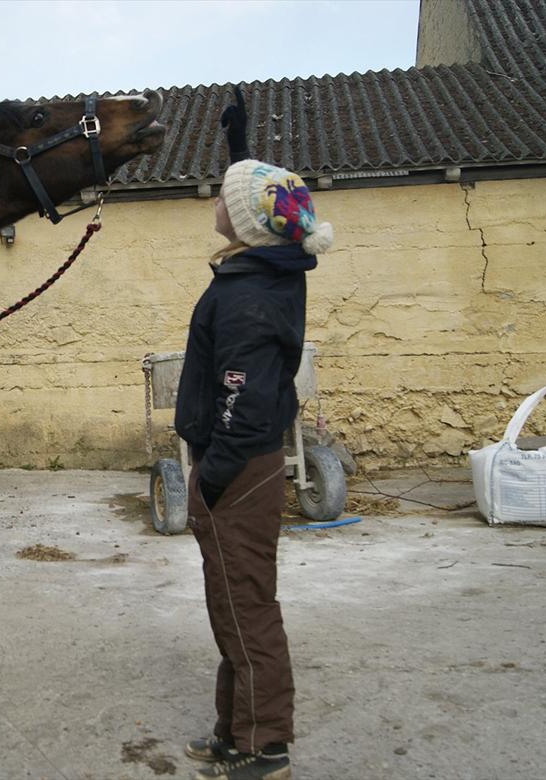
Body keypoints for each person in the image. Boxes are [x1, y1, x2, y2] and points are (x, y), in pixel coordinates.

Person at [173, 86, 333, 780]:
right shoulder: (266, 266)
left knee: (246, 610)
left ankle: (266, 749)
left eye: (225, 194)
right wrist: (239, 149)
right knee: (234, 606)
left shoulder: (246, 296)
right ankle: (234, 730)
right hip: (241, 465)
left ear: (244, 221)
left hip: (236, 470)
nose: (215, 198)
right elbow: (268, 206)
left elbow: (243, 399)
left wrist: (210, 477)